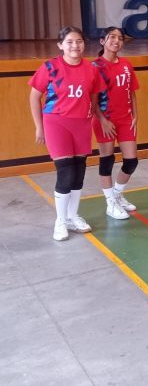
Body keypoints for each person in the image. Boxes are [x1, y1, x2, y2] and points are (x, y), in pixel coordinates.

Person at [29, 26, 105, 241]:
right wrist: (39, 126)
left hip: (81, 124)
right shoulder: (50, 67)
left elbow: (93, 97)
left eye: (79, 41)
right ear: (60, 45)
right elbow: (34, 97)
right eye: (69, 42)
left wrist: (91, 116)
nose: (75, 46)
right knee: (66, 172)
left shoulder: (91, 69)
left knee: (79, 172)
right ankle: (60, 220)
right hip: (56, 123)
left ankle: (72, 216)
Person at [92, 27, 140, 220]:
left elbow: (131, 91)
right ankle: (110, 202)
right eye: (112, 37)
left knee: (131, 161)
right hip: (105, 120)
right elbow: (92, 100)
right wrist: (102, 120)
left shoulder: (126, 64)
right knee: (107, 160)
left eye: (120, 38)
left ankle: (117, 195)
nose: (116, 41)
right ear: (102, 41)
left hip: (126, 119)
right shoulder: (95, 66)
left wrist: (135, 114)